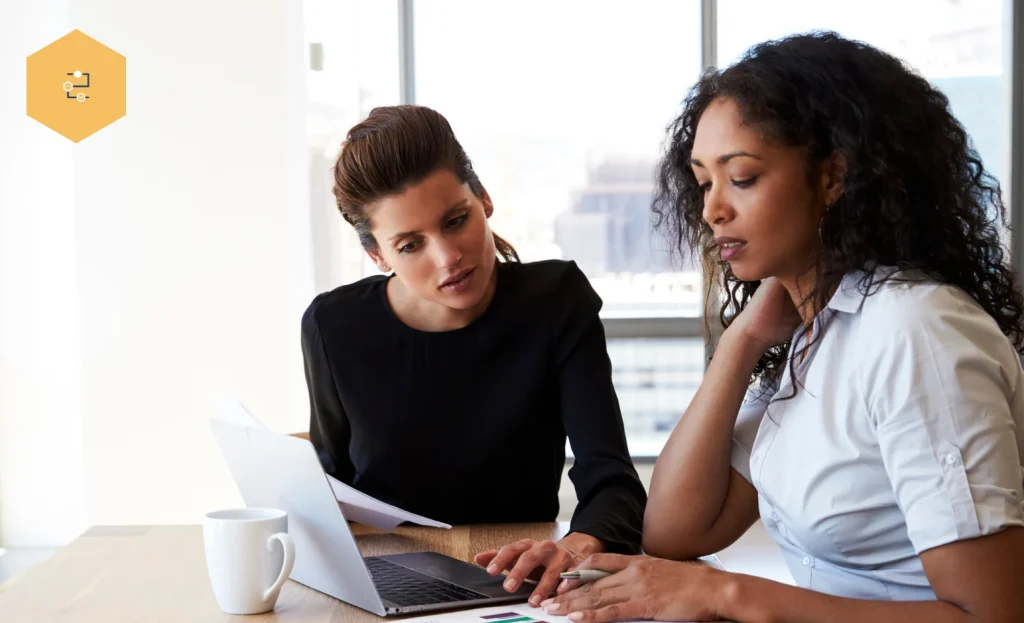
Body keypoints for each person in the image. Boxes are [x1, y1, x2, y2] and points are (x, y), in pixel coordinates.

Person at [543, 32, 1024, 622]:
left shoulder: (913, 330)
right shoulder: (814, 334)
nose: (712, 209)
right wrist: (741, 343)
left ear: (832, 178)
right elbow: (675, 530)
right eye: (703, 182)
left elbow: (990, 616)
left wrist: (729, 594)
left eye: (741, 177)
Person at [301, 104, 647, 607]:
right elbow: (328, 487)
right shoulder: (333, 327)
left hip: (513, 587)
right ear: (378, 256)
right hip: (383, 587)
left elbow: (612, 481)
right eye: (410, 244)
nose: (447, 258)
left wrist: (576, 546)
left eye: (456, 220)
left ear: (483, 199)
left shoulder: (556, 301)